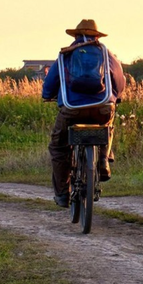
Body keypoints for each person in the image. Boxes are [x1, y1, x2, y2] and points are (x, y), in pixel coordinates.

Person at [42, 19, 126, 207]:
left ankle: (63, 194)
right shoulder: (106, 54)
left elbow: (50, 83)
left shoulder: (66, 54)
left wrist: (47, 95)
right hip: (102, 107)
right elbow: (119, 80)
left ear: (76, 35)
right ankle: (103, 160)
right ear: (97, 35)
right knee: (107, 125)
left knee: (59, 146)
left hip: (72, 109)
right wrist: (116, 97)